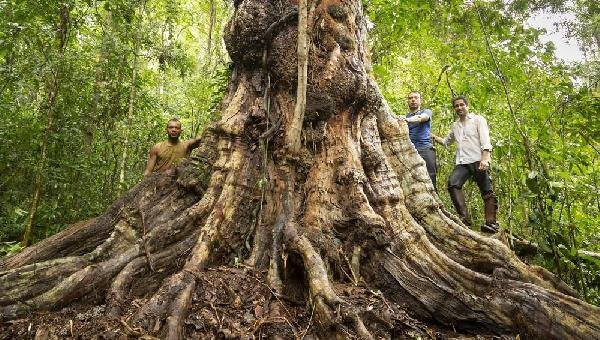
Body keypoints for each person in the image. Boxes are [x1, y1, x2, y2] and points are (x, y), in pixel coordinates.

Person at [432, 95, 498, 233]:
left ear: (467, 106)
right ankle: (465, 219)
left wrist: (485, 158)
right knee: (453, 183)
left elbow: (485, 139)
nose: (459, 107)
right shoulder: (455, 125)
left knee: (487, 190)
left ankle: (491, 223)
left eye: (462, 105)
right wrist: (432, 137)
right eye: (456, 106)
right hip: (462, 162)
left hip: (478, 160)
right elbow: (446, 142)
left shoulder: (478, 120)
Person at [403, 92, 437, 190]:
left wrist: (407, 120)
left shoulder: (426, 111)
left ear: (420, 100)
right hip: (410, 151)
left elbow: (422, 118)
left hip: (425, 149)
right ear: (408, 101)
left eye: (416, 98)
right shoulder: (406, 116)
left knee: (431, 178)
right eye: (410, 98)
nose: (413, 100)